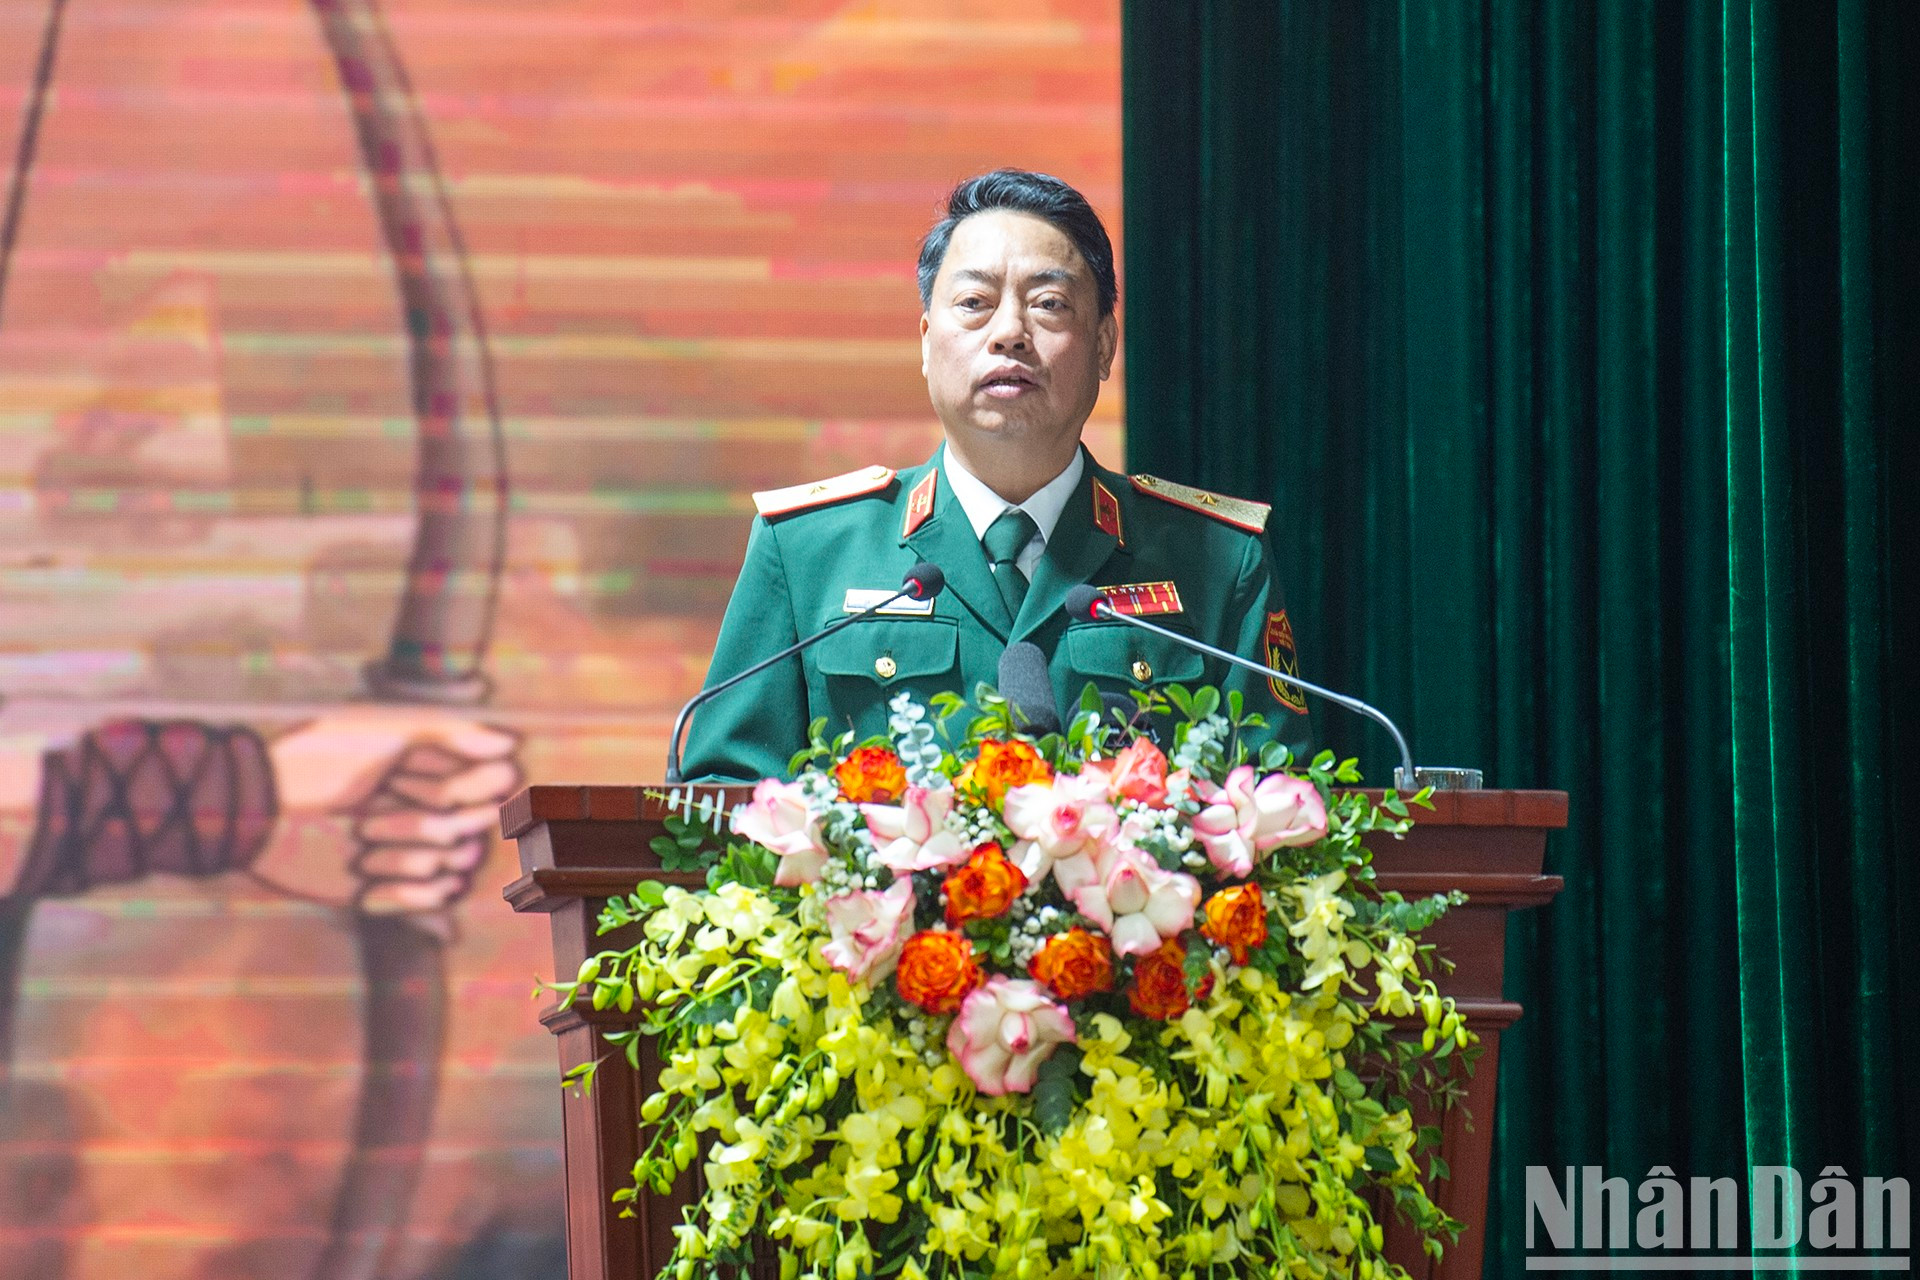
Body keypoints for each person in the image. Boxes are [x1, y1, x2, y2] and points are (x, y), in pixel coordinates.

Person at [681, 169, 1311, 782]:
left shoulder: (1217, 558)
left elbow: (1280, 801)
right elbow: (720, 795)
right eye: (974, 304)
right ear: (926, 342)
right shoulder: (806, 550)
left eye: (1049, 304)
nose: (1009, 332)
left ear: (1103, 346)